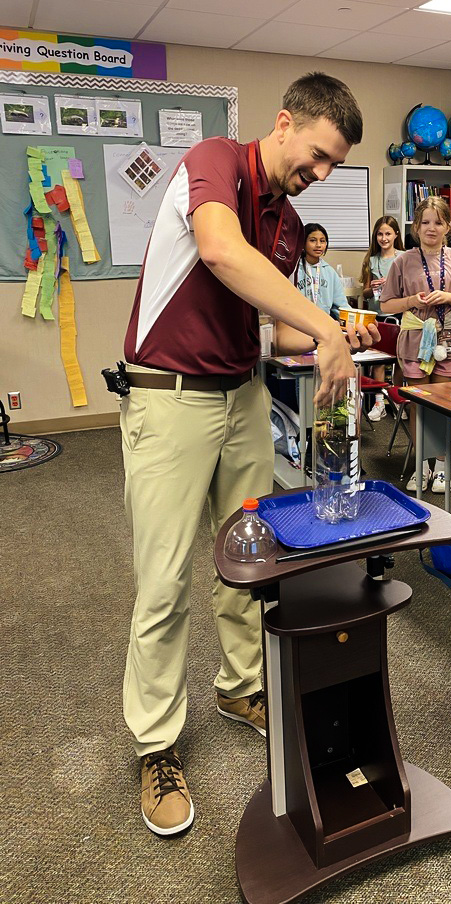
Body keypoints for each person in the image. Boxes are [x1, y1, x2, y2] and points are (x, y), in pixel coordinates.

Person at [120, 72, 374, 837]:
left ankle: (239, 687)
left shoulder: (290, 224)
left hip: (242, 396)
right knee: (164, 580)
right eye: (320, 155)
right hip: (169, 395)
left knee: (249, 555)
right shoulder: (215, 160)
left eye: (334, 165)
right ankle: (157, 746)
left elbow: (278, 330)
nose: (321, 174)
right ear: (285, 121)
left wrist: (337, 328)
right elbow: (220, 251)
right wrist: (325, 331)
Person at [379, 195, 451, 493]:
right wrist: (412, 300)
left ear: (448, 226)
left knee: (444, 406)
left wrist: (448, 297)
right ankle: (421, 466)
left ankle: (442, 466)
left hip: (448, 339)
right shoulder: (403, 261)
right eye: (425, 222)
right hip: (414, 340)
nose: (431, 228)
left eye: (438, 222)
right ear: (416, 227)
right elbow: (386, 305)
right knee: (418, 406)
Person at [360, 215, 404, 420]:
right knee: (378, 361)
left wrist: (392, 284)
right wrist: (373, 287)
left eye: (388, 233)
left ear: (396, 234)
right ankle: (380, 403)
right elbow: (365, 293)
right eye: (380, 234)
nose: (384, 238)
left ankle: (397, 399)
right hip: (378, 317)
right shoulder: (372, 260)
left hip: (399, 315)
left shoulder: (403, 258)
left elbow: (410, 289)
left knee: (399, 360)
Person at [293, 222, 350, 320]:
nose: (318, 245)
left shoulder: (330, 272)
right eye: (313, 240)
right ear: (303, 242)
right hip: (299, 323)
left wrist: (354, 320)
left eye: (322, 241)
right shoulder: (293, 270)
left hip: (323, 324)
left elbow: (341, 306)